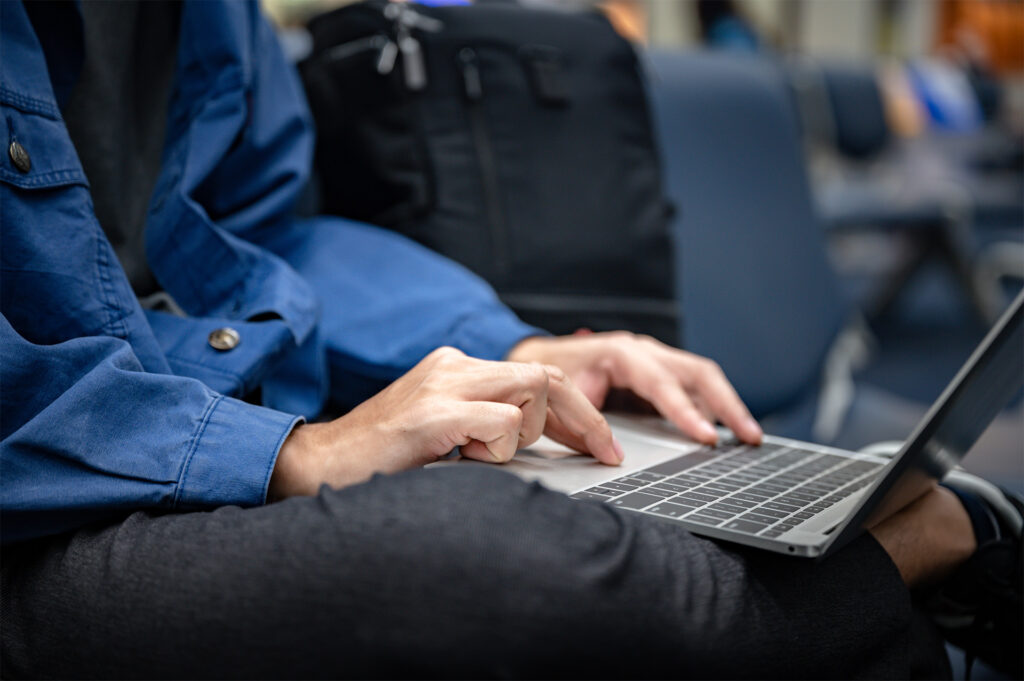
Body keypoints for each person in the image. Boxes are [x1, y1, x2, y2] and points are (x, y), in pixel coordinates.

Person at [0, 1, 1017, 678]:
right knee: (498, 561)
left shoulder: (212, 17)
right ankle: (917, 557)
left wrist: (512, 346)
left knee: (611, 490)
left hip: (226, 423)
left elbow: (268, 232)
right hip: (50, 507)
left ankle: (857, 589)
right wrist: (289, 453)